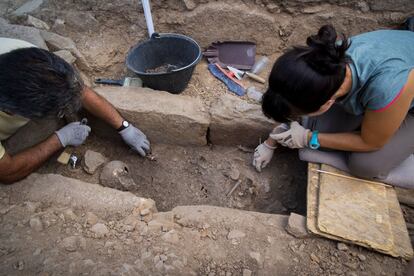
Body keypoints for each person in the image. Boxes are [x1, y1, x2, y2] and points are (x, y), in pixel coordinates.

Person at [252, 25, 414, 188]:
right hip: (393, 86)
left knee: (364, 165)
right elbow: (290, 95)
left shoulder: (385, 87)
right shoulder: (324, 61)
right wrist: (270, 141)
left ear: (328, 103)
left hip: (404, 100)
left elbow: (371, 142)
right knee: (321, 126)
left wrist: (308, 138)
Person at [0, 37, 150, 183]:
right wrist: (60, 139)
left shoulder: (27, 57)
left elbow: (78, 90)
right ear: (12, 112)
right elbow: (8, 171)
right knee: (45, 129)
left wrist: (124, 127)